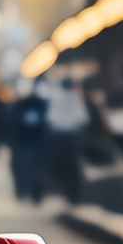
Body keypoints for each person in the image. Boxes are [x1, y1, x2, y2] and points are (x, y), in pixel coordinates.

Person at [44, 74, 88, 206]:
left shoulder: (55, 97)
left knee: (59, 165)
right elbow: (82, 118)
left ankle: (61, 193)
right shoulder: (76, 97)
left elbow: (50, 118)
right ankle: (73, 196)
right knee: (73, 167)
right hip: (72, 137)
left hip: (58, 137)